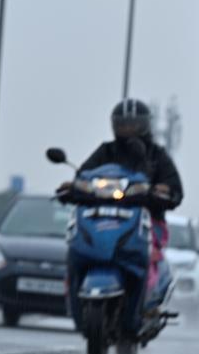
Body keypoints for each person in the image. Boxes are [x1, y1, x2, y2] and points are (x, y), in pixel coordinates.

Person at [75, 99, 184, 319]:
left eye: (134, 124)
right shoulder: (105, 151)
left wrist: (163, 192)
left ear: (145, 125)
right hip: (103, 217)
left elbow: (175, 189)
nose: (128, 129)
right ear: (114, 125)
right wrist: (74, 186)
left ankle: (149, 300)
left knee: (150, 254)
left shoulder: (157, 154)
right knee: (77, 242)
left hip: (147, 219)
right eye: (123, 124)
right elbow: (83, 175)